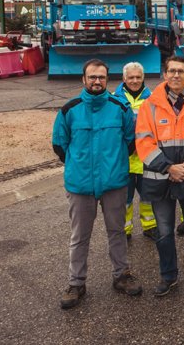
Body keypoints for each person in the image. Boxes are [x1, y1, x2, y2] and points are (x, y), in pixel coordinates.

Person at [52, 59, 142, 309]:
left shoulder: (119, 108)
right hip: (80, 185)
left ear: (108, 80)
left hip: (114, 182)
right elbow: (60, 145)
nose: (96, 81)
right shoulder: (70, 110)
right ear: (83, 79)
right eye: (92, 77)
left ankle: (121, 275)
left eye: (101, 77)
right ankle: (76, 283)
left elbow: (130, 140)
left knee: (117, 232)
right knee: (80, 236)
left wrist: (114, 164)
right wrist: (78, 165)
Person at [136, 55, 184, 296]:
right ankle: (168, 276)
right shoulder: (149, 106)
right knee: (164, 232)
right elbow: (143, 142)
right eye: (171, 71)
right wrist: (169, 167)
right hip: (161, 180)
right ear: (165, 74)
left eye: (180, 71)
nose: (176, 75)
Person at [114, 61, 158, 242]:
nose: (134, 80)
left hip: (146, 157)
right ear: (124, 78)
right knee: (125, 198)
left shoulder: (154, 99)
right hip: (124, 158)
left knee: (148, 196)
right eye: (131, 77)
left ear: (143, 78)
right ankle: (125, 229)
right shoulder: (114, 99)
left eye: (138, 77)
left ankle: (149, 226)